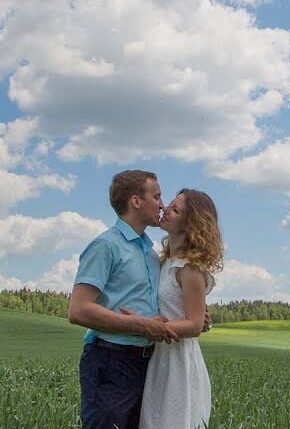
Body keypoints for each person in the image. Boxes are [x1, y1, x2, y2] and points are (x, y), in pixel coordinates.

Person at [68, 170, 180, 429]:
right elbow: (78, 310)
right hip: (110, 359)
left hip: (148, 362)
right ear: (136, 201)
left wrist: (195, 315)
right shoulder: (105, 246)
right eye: (156, 196)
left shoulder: (150, 253)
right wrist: (139, 325)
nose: (162, 205)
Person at [136, 188, 224, 429]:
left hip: (178, 362)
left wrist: (146, 327)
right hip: (159, 357)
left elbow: (194, 325)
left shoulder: (189, 268)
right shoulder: (164, 262)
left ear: (191, 224)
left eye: (175, 210)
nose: (165, 209)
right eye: (169, 204)